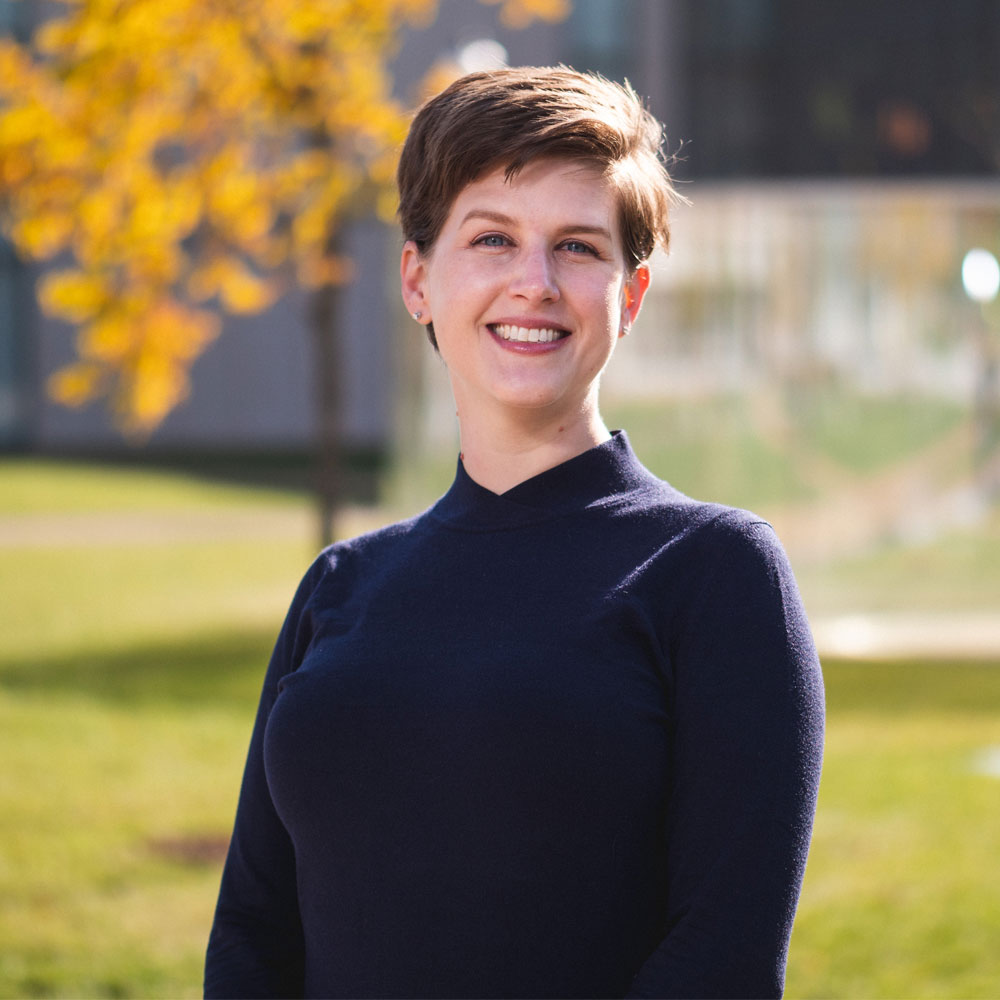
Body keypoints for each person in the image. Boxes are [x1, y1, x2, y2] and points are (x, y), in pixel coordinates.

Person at [204, 66, 824, 1000]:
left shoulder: (714, 571)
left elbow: (722, 957)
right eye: (492, 238)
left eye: (577, 247)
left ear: (632, 294)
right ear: (418, 279)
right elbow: (254, 926)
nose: (533, 284)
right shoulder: (342, 585)